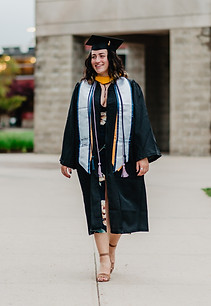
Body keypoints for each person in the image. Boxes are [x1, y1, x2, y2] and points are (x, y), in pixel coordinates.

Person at [60, 35, 161, 282]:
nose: (97, 60)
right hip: (91, 157)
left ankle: (113, 249)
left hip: (122, 157)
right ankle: (103, 258)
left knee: (119, 207)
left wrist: (144, 156)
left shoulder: (129, 87)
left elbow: (141, 123)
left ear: (111, 58)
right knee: (98, 207)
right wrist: (67, 158)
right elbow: (72, 123)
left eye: (101, 56)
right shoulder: (82, 88)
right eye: (93, 56)